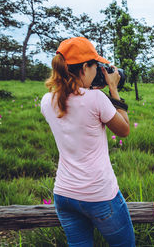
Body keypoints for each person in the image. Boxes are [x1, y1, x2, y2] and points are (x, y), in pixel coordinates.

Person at [40, 37, 135, 247]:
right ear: (84, 67)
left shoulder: (47, 101)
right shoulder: (96, 99)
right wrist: (112, 87)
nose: (98, 71)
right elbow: (124, 130)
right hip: (99, 194)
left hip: (64, 195)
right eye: (96, 66)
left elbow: (72, 104)